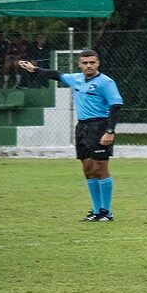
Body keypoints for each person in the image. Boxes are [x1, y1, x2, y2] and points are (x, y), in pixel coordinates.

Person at [19, 50, 123, 222]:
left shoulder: (106, 82)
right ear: (79, 64)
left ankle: (107, 211)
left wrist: (110, 131)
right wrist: (34, 69)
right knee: (88, 169)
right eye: (85, 63)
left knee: (100, 168)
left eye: (92, 62)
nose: (89, 65)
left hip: (100, 126)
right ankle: (96, 210)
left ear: (98, 63)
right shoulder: (76, 79)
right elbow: (56, 74)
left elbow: (116, 106)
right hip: (82, 127)